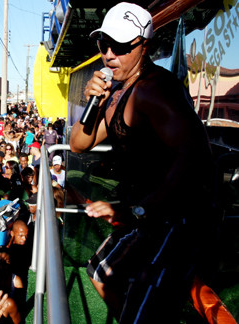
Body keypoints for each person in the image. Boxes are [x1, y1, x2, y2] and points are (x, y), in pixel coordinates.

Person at [69, 3, 218, 322]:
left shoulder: (155, 91)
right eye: (103, 44)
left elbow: (196, 160)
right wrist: (92, 102)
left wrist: (137, 209)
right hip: (147, 215)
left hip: (174, 221)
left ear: (144, 46)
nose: (109, 54)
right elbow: (78, 144)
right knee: (99, 271)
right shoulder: (117, 94)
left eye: (120, 46)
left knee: (139, 305)